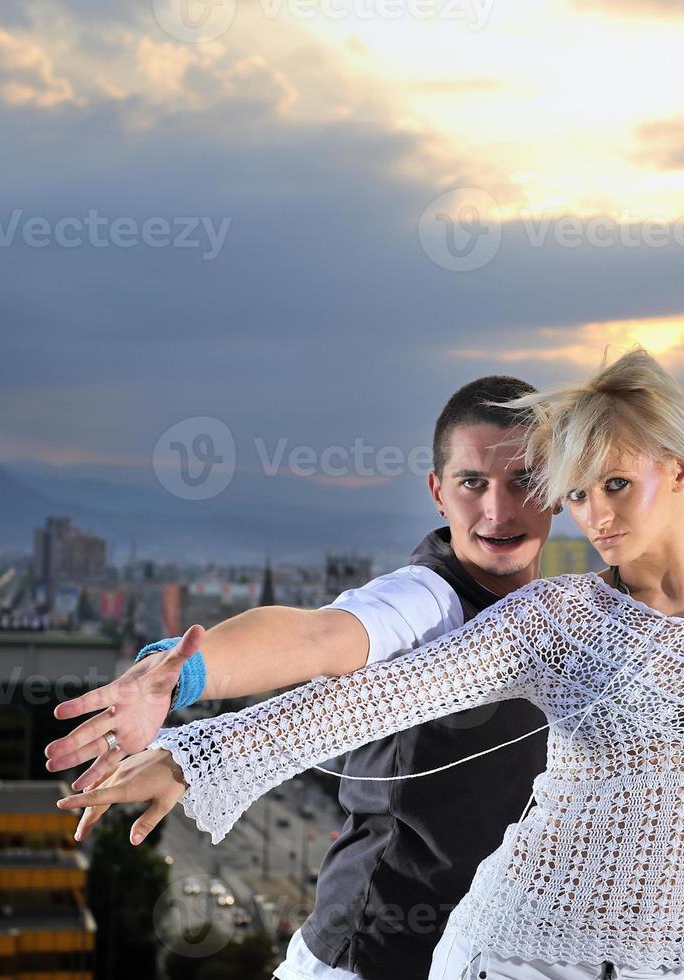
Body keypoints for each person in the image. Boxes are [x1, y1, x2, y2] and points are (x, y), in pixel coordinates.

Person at [58, 347, 684, 979]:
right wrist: (190, 730)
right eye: (580, 493)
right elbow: (349, 678)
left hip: (668, 961)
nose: (595, 515)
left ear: (680, 470)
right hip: (498, 951)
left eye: (612, 484)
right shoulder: (546, 616)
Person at [44, 376, 559, 980]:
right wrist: (182, 676)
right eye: (473, 483)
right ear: (438, 494)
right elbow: (317, 635)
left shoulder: (568, 615)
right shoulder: (426, 600)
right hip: (370, 959)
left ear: (557, 490)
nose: (497, 510)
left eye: (524, 480)